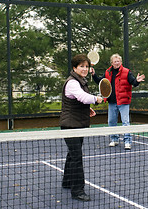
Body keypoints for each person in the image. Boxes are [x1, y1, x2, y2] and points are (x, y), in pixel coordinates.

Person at [59, 54, 103, 202]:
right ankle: (77, 191)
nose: (85, 69)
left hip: (77, 124)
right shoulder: (72, 82)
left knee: (73, 154)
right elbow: (82, 97)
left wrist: (87, 109)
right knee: (77, 157)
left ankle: (67, 182)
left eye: (86, 66)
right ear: (74, 68)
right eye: (81, 66)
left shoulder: (80, 81)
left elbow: (79, 100)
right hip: (71, 125)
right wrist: (96, 100)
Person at [90, 53, 145, 150]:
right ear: (112, 63)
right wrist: (94, 74)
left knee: (125, 122)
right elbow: (100, 82)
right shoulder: (108, 72)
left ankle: (127, 141)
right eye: (115, 61)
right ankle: (114, 139)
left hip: (123, 102)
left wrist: (137, 81)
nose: (117, 63)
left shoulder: (127, 72)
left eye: (118, 61)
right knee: (111, 122)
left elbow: (133, 83)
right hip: (112, 102)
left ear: (121, 62)